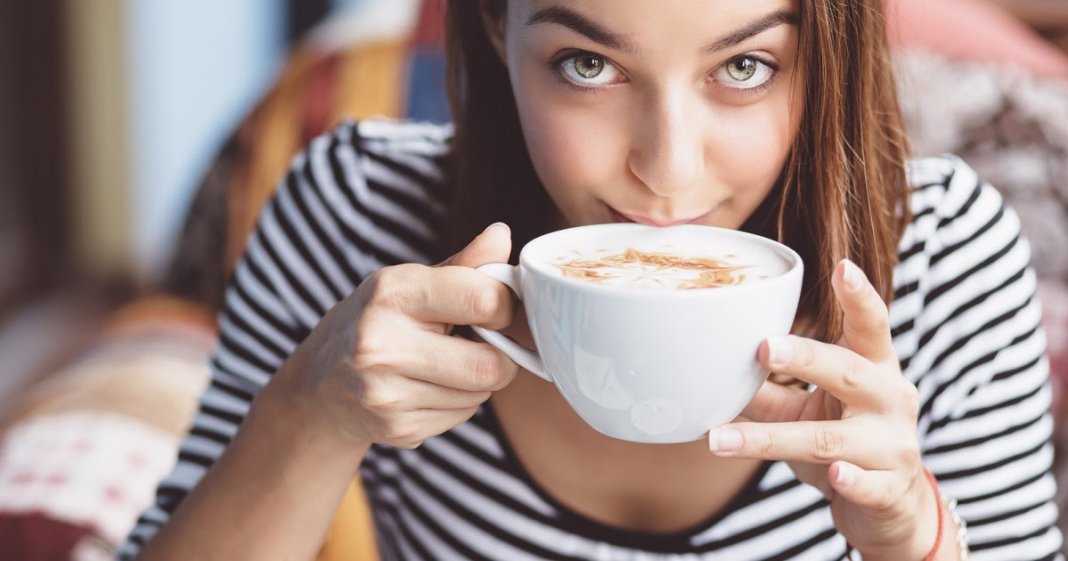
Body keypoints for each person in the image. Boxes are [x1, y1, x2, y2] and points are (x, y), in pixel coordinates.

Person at [119, 1, 1063, 559]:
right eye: (587, 64)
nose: (669, 169)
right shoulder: (356, 213)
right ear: (495, 27)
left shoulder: (944, 253)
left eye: (744, 66)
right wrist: (310, 413)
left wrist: (910, 534)